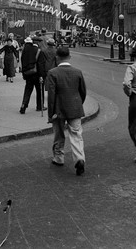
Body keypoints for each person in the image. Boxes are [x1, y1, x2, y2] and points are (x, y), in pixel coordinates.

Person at [47, 46, 87, 176]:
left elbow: (51, 95)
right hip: (75, 107)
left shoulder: (52, 73)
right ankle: (79, 158)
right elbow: (83, 92)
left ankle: (59, 157)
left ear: (57, 57)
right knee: (76, 134)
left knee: (59, 134)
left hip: (58, 109)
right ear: (69, 57)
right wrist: (78, 104)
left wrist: (50, 113)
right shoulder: (78, 72)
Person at [19, 36, 46, 114]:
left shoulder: (25, 50)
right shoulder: (39, 51)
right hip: (37, 74)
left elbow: (23, 62)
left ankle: (23, 105)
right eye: (40, 42)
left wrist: (24, 74)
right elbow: (41, 65)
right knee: (39, 91)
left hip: (28, 74)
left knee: (27, 90)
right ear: (37, 42)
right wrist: (41, 76)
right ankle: (40, 106)